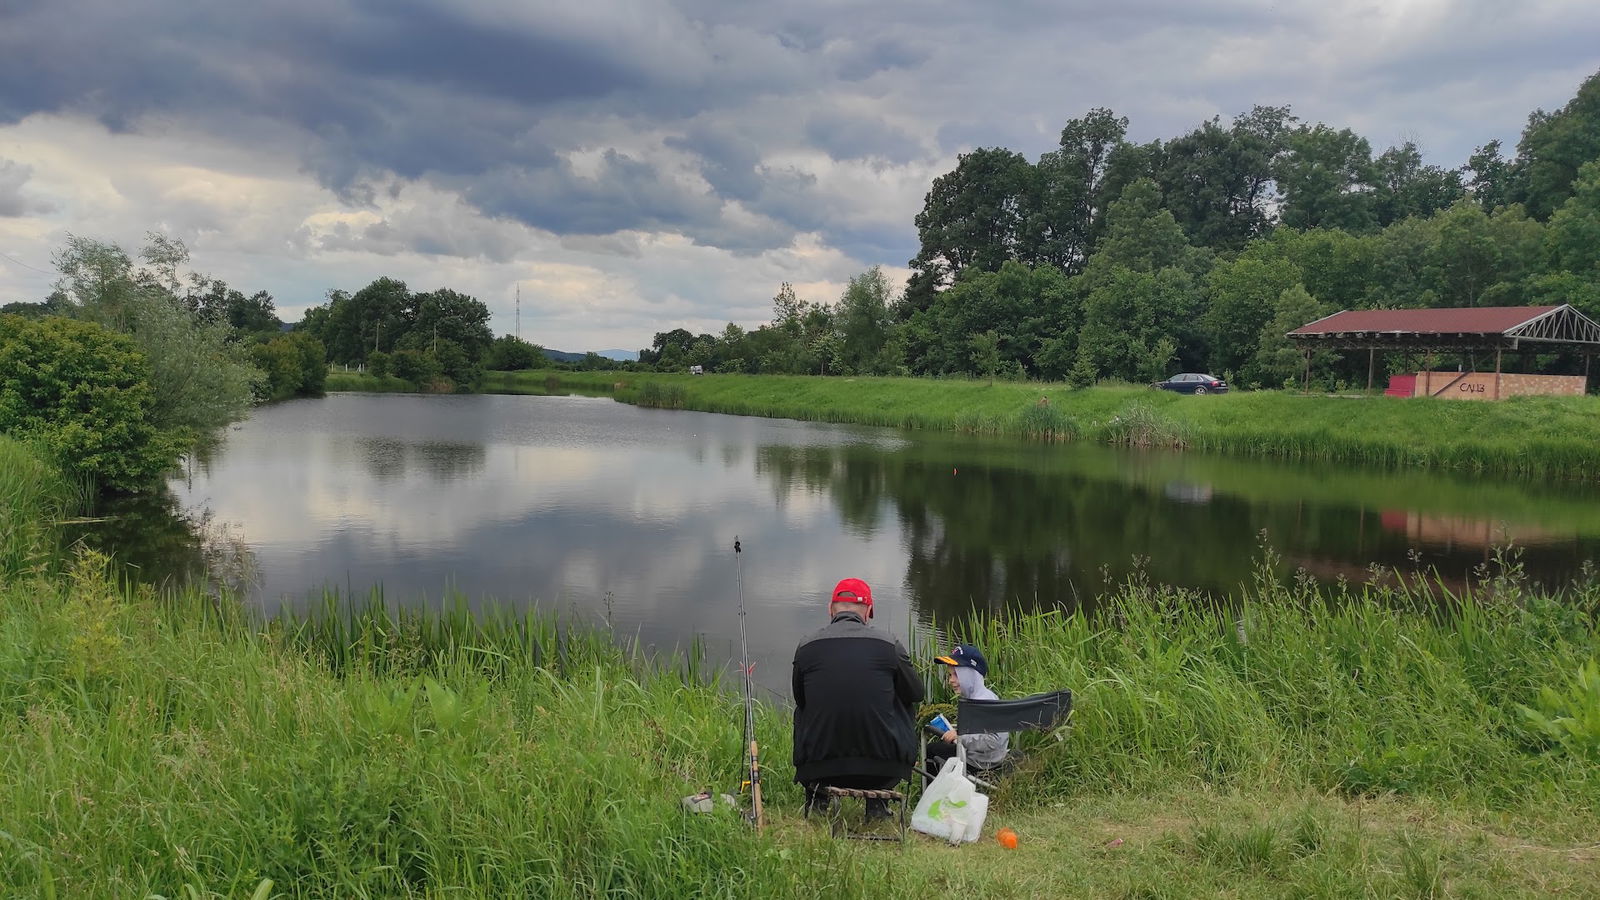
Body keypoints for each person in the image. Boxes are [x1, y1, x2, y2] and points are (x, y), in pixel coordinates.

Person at [792, 577, 924, 818]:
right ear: (869, 611)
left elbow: (800, 699)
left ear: (830, 609)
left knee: (804, 708)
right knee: (902, 697)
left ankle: (817, 798)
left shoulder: (806, 645)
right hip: (883, 769)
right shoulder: (890, 645)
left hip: (819, 767)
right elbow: (917, 693)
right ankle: (878, 802)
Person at [925, 643, 1009, 774]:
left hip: (981, 762)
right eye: (950, 675)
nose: (951, 680)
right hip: (984, 756)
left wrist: (960, 736)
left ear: (970, 675)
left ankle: (934, 787)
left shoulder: (982, 702)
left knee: (931, 750)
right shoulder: (984, 695)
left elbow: (992, 741)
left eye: (956, 675)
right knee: (939, 746)